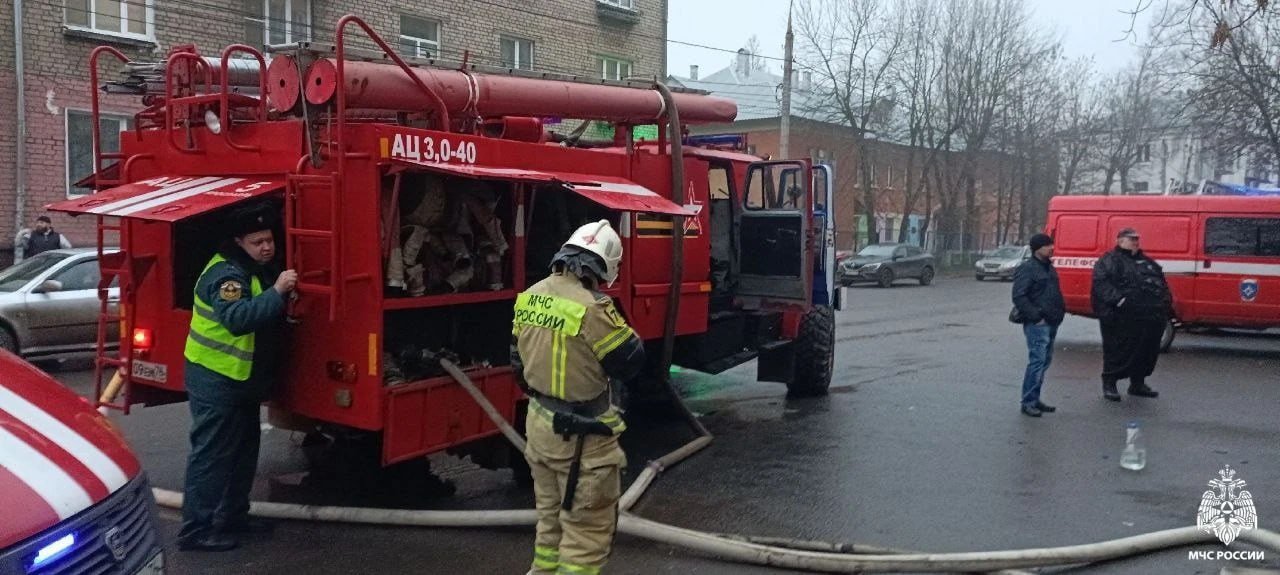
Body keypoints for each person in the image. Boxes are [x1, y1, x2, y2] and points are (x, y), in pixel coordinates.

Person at [511, 219, 645, 575]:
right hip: (583, 440)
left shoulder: (531, 295)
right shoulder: (593, 307)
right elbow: (630, 360)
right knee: (585, 539)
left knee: (550, 525)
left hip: (540, 427)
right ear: (604, 266)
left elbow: (517, 365)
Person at [178, 202, 297, 551]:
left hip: (240, 380)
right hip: (216, 379)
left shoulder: (253, 268)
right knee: (212, 455)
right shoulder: (227, 275)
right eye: (257, 242)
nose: (266, 247)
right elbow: (238, 319)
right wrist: (277, 292)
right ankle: (195, 531)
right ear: (239, 242)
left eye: (269, 240)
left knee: (244, 452)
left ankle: (232, 517)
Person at [1091, 227, 1170, 401]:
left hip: (1149, 317)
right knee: (1117, 351)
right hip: (1121, 317)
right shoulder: (1109, 260)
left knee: (1145, 351)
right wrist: (1121, 302)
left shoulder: (1148, 262)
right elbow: (1102, 285)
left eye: (1136, 239)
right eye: (1131, 239)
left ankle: (1138, 383)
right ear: (1119, 241)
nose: (1135, 242)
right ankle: (1110, 384)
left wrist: (1165, 304)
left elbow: (1161, 284)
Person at [1011, 233, 1065, 418]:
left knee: (1044, 362)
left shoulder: (1049, 268)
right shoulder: (1028, 268)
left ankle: (1035, 397)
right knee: (1037, 361)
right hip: (1038, 324)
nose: (1052, 248)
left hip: (1051, 321)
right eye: (1048, 245)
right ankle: (1028, 401)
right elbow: (1019, 296)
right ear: (1037, 248)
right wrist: (1036, 316)